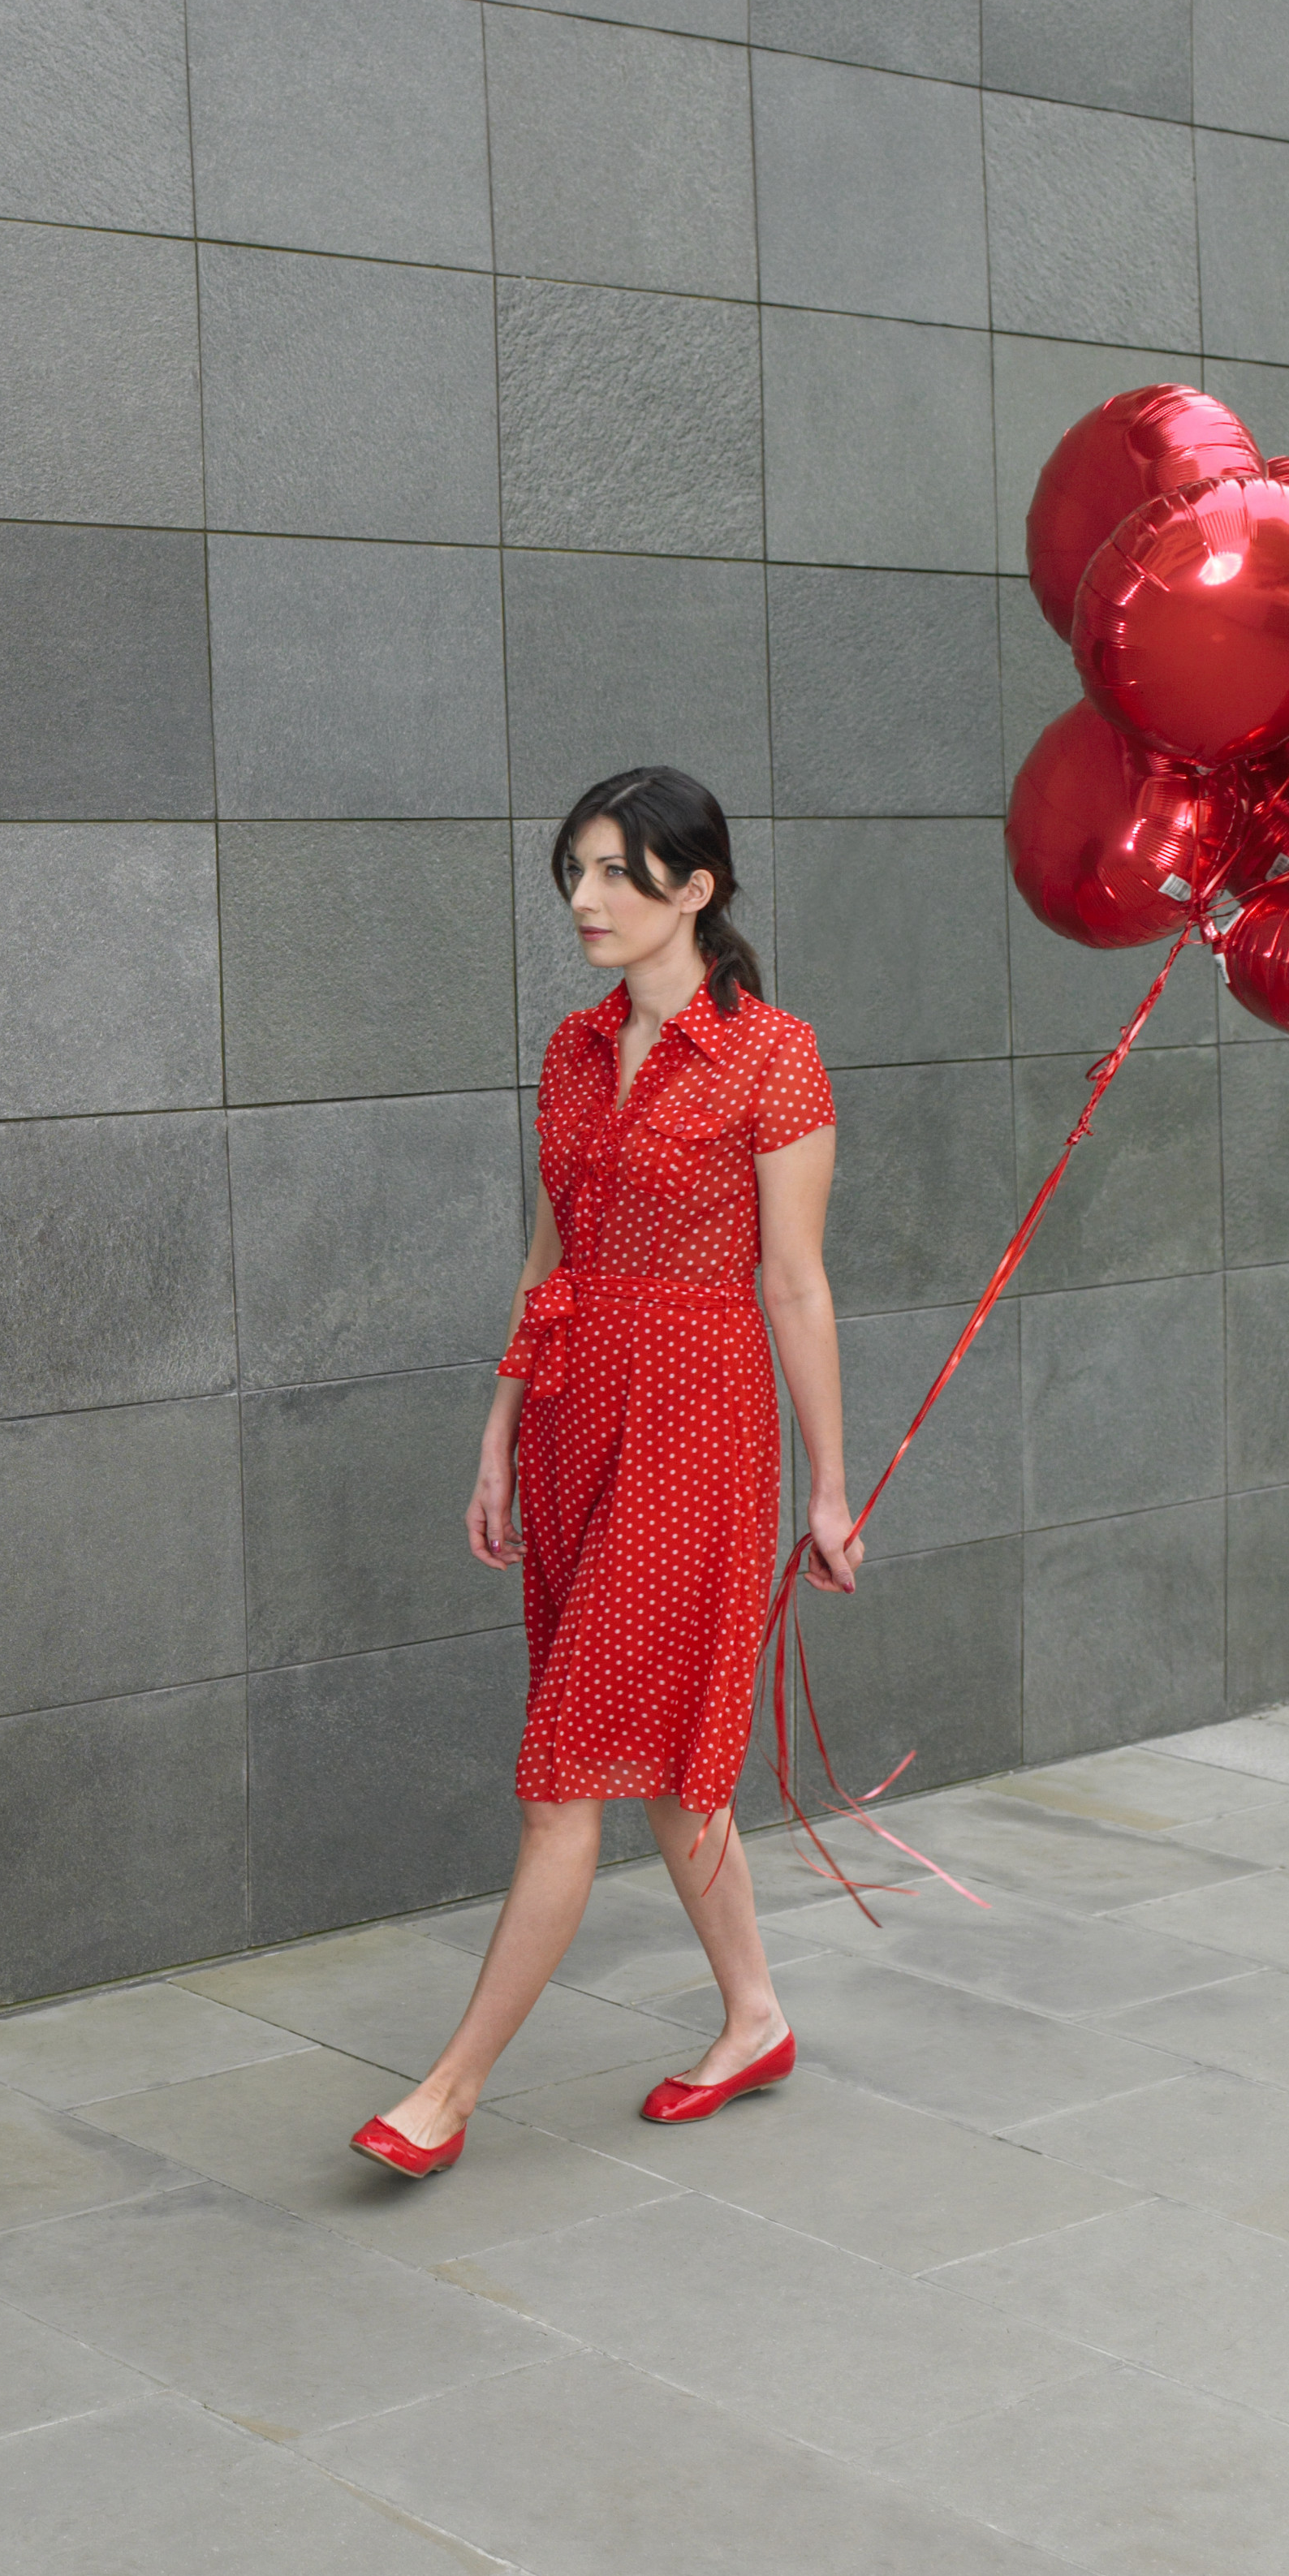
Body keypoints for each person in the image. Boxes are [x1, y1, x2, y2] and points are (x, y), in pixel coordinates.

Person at [351, 767, 861, 2176]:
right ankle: (754, 2015)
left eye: (612, 875)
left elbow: (799, 1287)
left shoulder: (776, 1058)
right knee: (666, 1762)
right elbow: (549, 1253)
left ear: (693, 891)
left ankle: (447, 2095)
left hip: (699, 1417)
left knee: (567, 1769)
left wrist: (827, 1487)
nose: (581, 900)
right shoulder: (575, 1052)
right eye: (571, 871)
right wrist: (500, 1425)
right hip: (580, 1407)